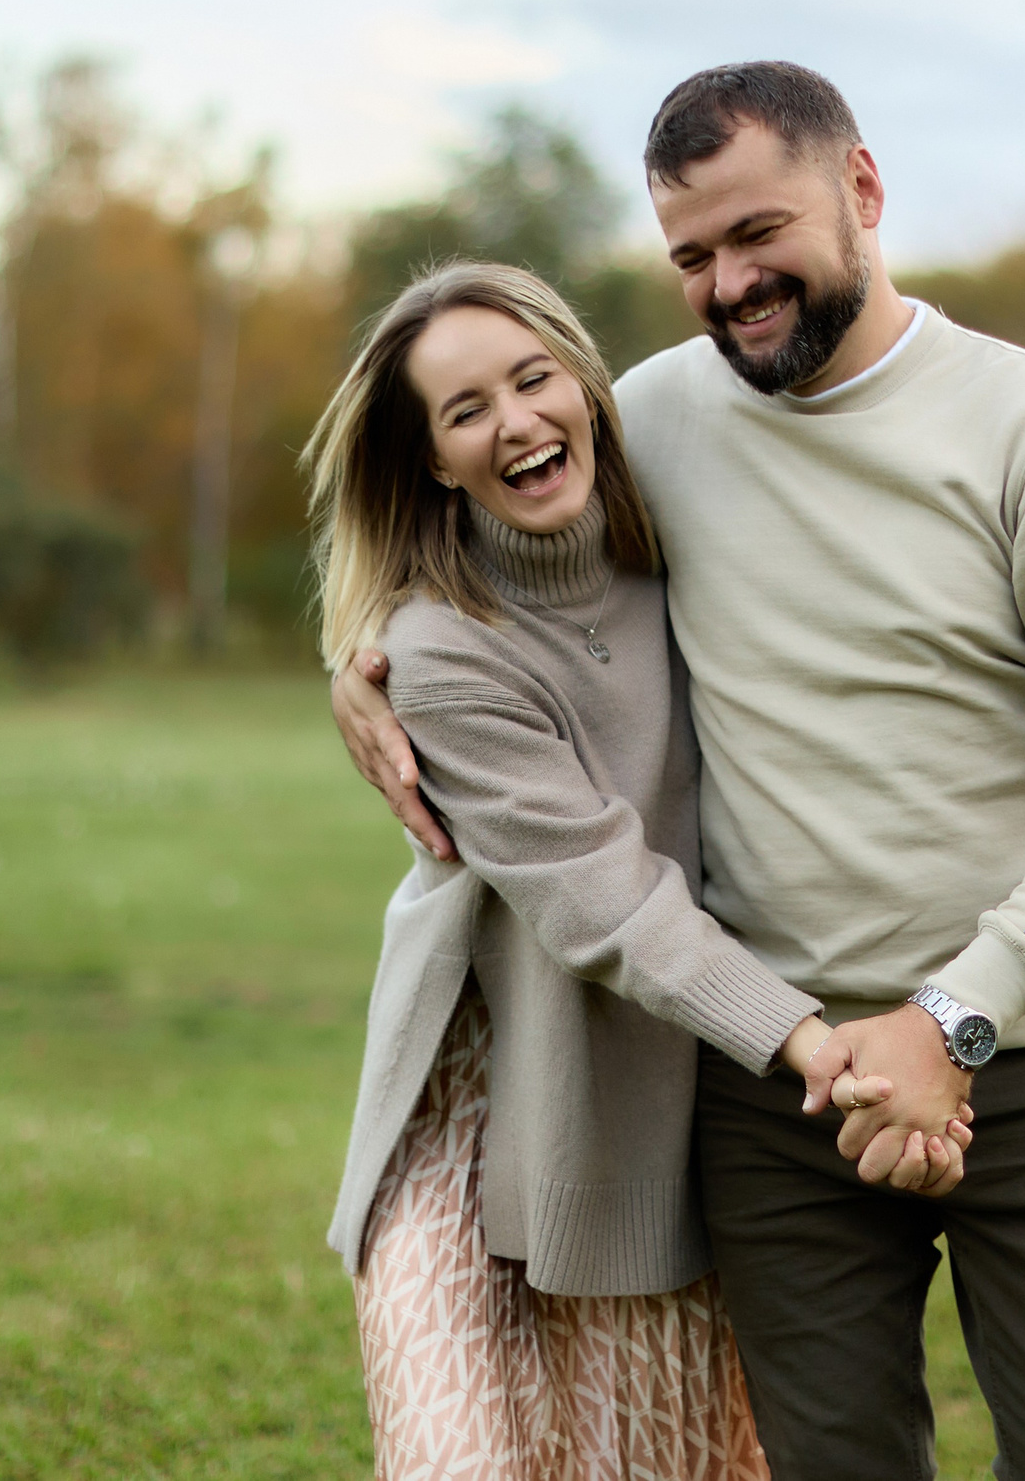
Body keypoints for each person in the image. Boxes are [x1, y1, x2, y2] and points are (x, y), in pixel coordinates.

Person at [333, 63, 1025, 1480]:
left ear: (863, 191)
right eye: (692, 254)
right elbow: (500, 531)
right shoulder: (655, 422)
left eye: (761, 235)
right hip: (777, 1091)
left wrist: (956, 1018)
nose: (731, 282)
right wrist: (366, 656)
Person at [307, 260, 972, 1481]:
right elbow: (602, 897)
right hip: (484, 1096)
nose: (514, 422)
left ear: (585, 387)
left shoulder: (685, 547)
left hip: (652, 1091)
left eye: (531, 377)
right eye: (464, 412)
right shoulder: (439, 651)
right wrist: (813, 1043)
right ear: (431, 464)